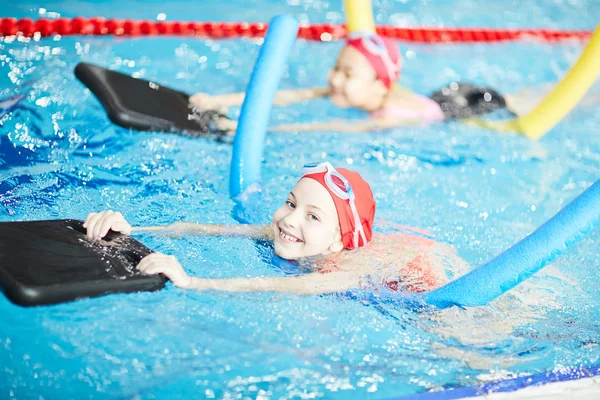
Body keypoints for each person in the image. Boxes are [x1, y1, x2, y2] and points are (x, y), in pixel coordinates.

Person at [83, 162, 467, 295]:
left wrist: (195, 282)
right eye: (290, 202)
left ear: (338, 242)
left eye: (312, 216)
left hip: (430, 284)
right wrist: (135, 227)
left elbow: (287, 286)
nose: (290, 219)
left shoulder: (344, 269)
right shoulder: (292, 233)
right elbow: (207, 229)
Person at [189, 32, 550, 134]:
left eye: (348, 75)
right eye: (337, 68)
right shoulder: (356, 91)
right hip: (442, 94)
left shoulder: (387, 113)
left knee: (521, 104)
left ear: (380, 87)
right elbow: (290, 95)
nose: (334, 79)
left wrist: (247, 128)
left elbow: (320, 125)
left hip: (461, 106)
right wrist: (220, 99)